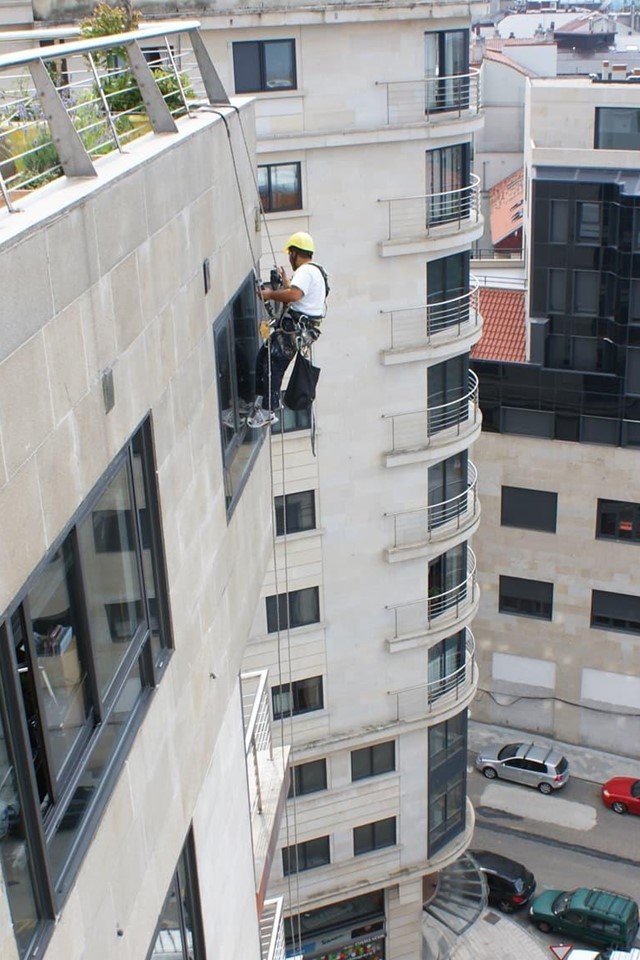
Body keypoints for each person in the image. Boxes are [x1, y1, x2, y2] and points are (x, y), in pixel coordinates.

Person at [247, 231, 328, 428]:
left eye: (290, 254)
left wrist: (271, 294)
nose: (290, 259)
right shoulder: (316, 271)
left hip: (296, 330)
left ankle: (268, 409)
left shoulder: (306, 271)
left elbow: (295, 294)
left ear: (294, 253)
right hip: (300, 329)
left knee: (272, 364)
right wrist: (285, 284)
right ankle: (262, 401)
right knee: (264, 356)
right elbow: (300, 296)